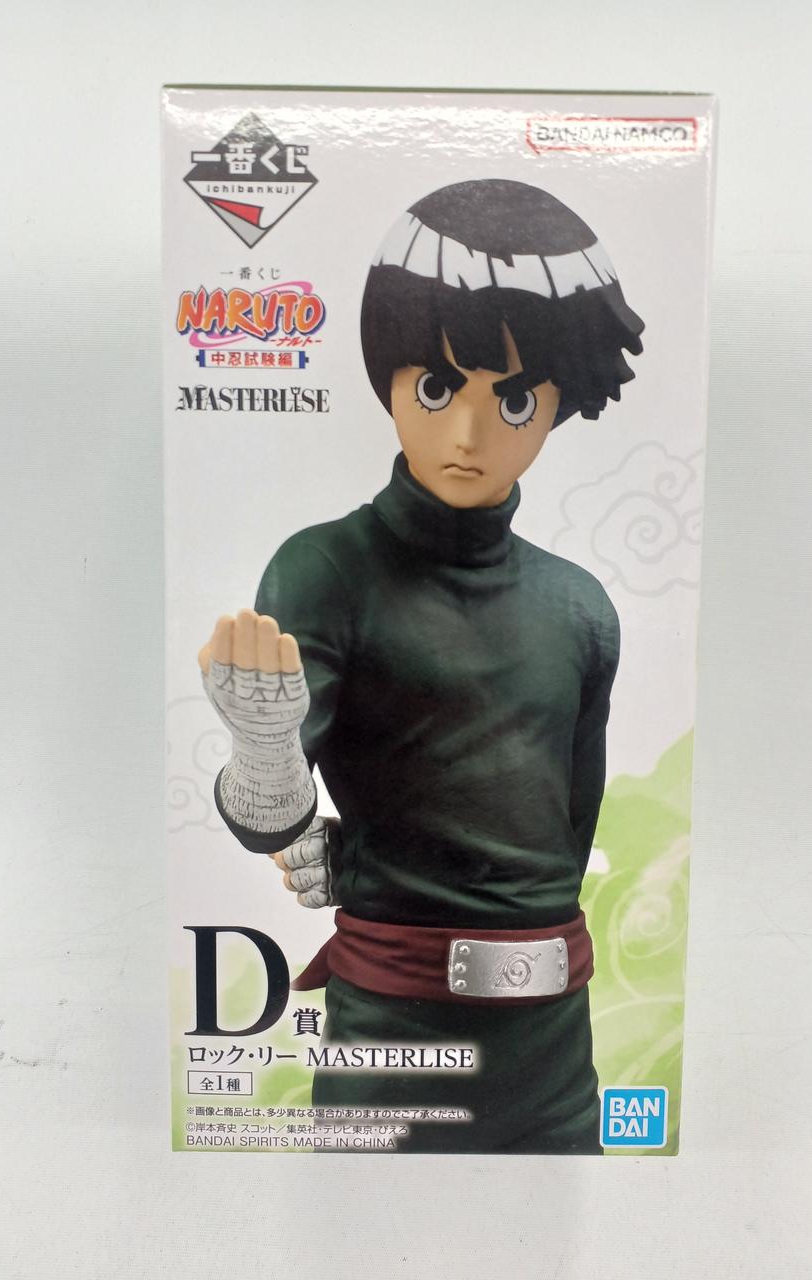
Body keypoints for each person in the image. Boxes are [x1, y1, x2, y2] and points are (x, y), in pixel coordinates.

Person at [199, 179, 644, 1153]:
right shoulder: (327, 569)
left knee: (578, 1224)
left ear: (557, 404)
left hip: (555, 1050)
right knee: (360, 1229)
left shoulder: (580, 609)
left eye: (514, 397)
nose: (468, 435)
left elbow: (568, 839)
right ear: (389, 381)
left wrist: (366, 849)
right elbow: (268, 815)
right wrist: (267, 753)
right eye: (437, 387)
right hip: (394, 1039)